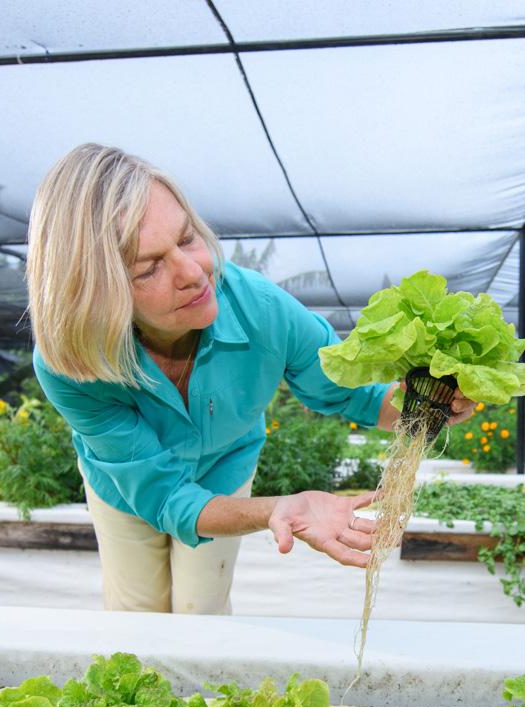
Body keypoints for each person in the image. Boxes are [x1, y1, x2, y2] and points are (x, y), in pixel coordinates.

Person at [27, 143, 475, 614]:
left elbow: (357, 396)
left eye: (186, 238)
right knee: (135, 609)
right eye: (149, 268)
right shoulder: (70, 364)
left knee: (202, 607)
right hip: (127, 488)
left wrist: (431, 403)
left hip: (225, 470)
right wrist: (272, 509)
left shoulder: (262, 310)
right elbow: (163, 494)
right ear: (96, 294)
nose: (194, 272)